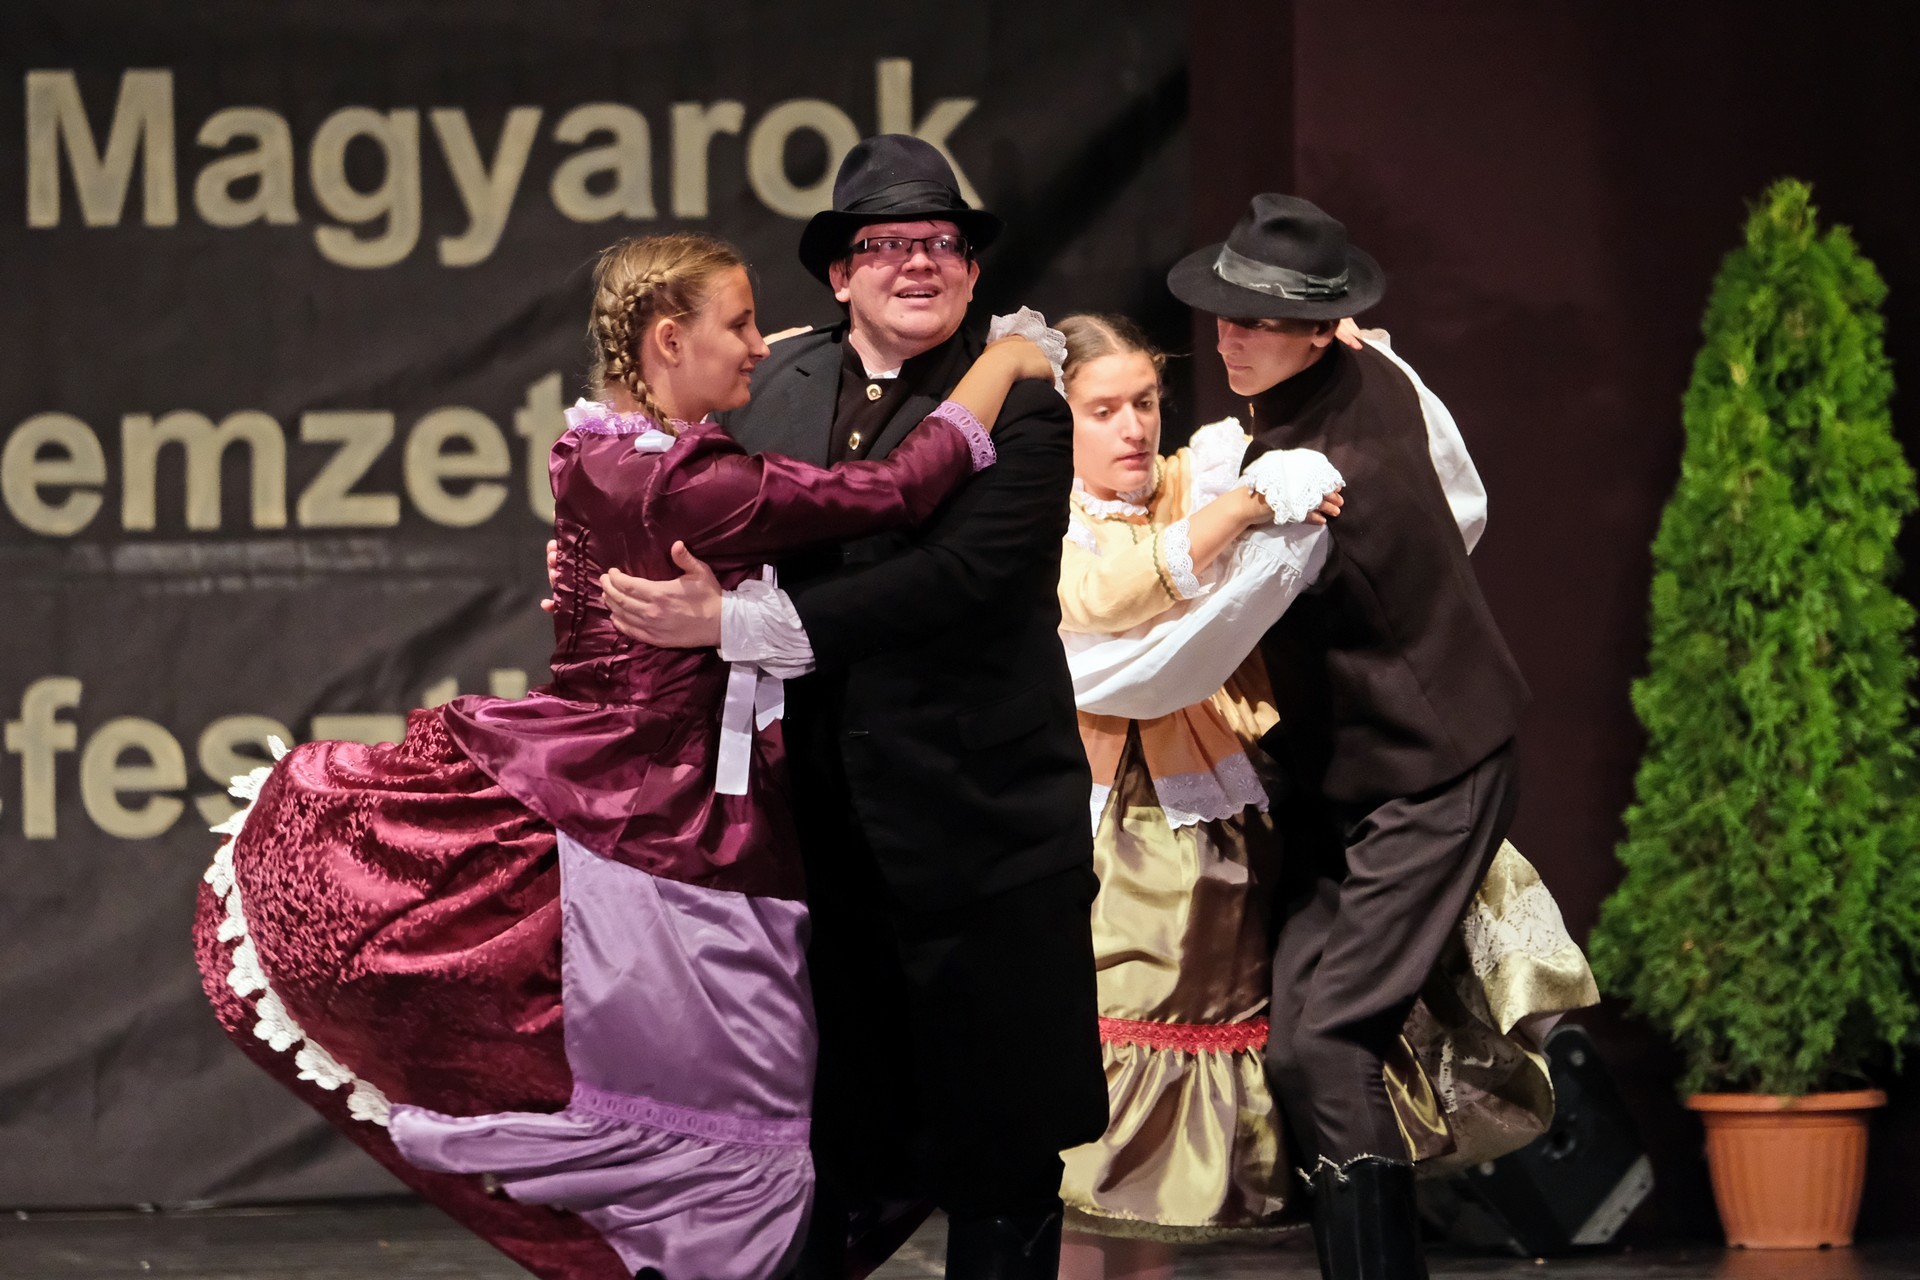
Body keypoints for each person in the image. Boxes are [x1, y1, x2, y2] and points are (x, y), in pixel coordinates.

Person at [192, 230, 1053, 1280]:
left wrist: (783, 346)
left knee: (743, 1090)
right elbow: (896, 492)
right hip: (663, 811)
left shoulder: (597, 446)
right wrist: (1005, 362)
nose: (759, 344)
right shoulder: (689, 482)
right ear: (667, 340)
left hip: (619, 768)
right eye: (740, 324)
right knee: (736, 1092)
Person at [596, 135, 1109, 1280]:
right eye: (886, 243)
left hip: (983, 833)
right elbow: (682, 507)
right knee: (831, 1152)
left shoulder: (1024, 396)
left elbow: (956, 580)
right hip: (819, 840)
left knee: (1003, 1154)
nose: (918, 261)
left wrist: (734, 622)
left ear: (972, 269)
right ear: (840, 272)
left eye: (942, 242)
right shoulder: (769, 386)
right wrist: (606, 577)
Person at [1050, 312, 1598, 1280]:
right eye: (1103, 410)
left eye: (1145, 401)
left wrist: (1368, 367)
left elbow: (1448, 498)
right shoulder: (1058, 521)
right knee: (1113, 1111)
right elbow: (1128, 625)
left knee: (1252, 1081)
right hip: (1117, 836)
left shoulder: (1198, 472)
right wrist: (1245, 512)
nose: (1133, 426)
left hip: (1248, 825)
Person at [1163, 193, 1544, 1280]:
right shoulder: (1379, 367)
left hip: (1435, 770)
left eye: (1259, 321)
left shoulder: (1308, 495)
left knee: (1329, 1044)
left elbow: (1188, 654)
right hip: (1363, 769)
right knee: (1298, 1044)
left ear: (1321, 330)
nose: (1229, 336)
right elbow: (1466, 503)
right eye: (1226, 312)